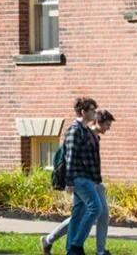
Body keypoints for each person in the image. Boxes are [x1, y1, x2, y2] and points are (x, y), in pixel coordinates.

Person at [42, 110, 114, 255]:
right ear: (98, 122)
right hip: (83, 180)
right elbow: (73, 158)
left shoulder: (95, 137)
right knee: (90, 212)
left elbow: (93, 162)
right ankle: (72, 246)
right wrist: (71, 181)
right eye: (107, 124)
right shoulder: (83, 134)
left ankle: (50, 240)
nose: (108, 128)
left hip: (93, 181)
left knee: (96, 214)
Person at [56, 98, 102, 255]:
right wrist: (69, 181)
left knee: (78, 214)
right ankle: (76, 244)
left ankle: (72, 251)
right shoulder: (74, 130)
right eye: (92, 110)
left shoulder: (86, 130)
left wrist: (96, 179)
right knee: (95, 208)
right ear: (83, 112)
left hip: (87, 178)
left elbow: (91, 158)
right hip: (79, 177)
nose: (95, 113)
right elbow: (70, 157)